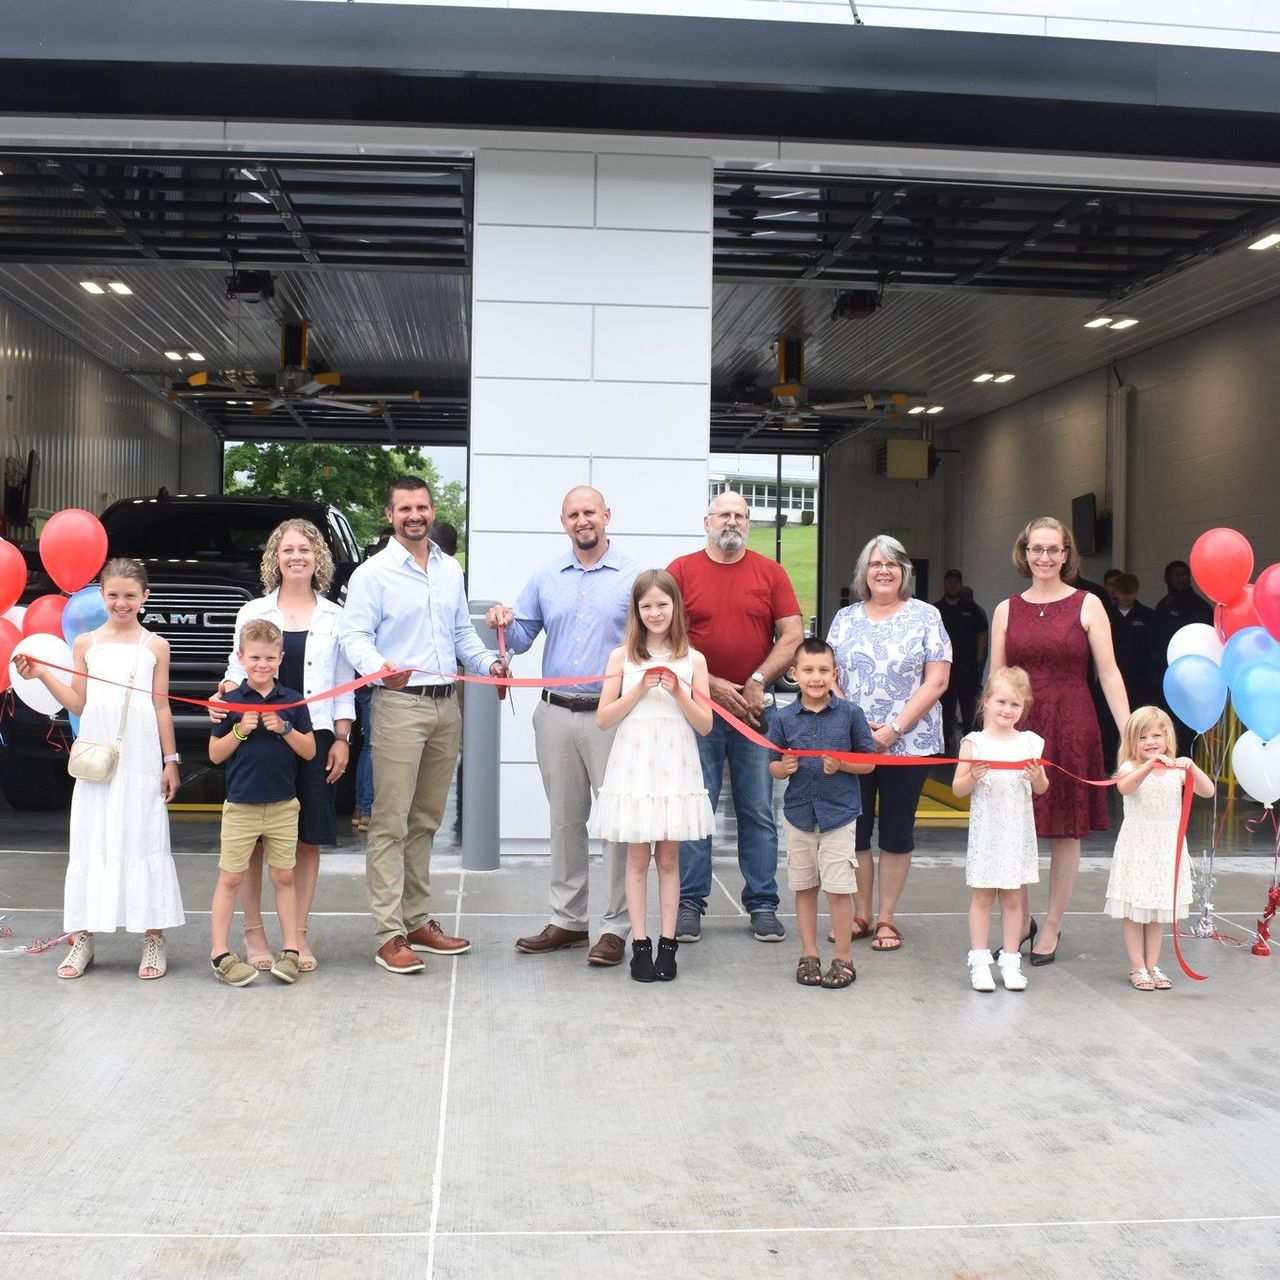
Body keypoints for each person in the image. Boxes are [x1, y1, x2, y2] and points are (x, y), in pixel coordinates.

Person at [340, 476, 507, 975]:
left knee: (426, 822)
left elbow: (461, 634)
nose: (415, 515)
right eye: (405, 508)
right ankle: (388, 933)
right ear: (390, 515)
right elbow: (353, 635)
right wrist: (381, 666)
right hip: (398, 706)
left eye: (422, 506)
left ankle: (417, 921)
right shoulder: (374, 574)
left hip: (445, 708)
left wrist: (488, 666)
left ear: (433, 511)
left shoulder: (449, 567)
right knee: (390, 823)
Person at [484, 485, 638, 966]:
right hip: (554, 715)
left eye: (589, 511)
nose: (582, 520)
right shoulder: (546, 576)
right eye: (573, 514)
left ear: (607, 515)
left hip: (610, 716)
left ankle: (615, 927)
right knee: (565, 821)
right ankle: (569, 922)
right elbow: (524, 635)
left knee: (616, 824)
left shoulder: (635, 577)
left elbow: (655, 635)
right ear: (563, 521)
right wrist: (502, 624)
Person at [14, 558, 184, 980]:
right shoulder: (85, 644)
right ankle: (84, 938)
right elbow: (78, 704)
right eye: (113, 595)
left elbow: (160, 706)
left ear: (145, 597)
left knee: (144, 836)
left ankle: (153, 938)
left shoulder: (155, 646)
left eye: (130, 595)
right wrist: (42, 675)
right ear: (101, 596)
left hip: (141, 757)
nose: (121, 603)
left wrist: (170, 760)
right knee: (93, 840)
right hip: (98, 758)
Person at [211, 519, 354, 973]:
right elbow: (236, 669)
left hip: (311, 735)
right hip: (257, 736)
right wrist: (222, 695)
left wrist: (343, 738)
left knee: (307, 840)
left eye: (305, 549)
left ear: (318, 559)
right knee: (254, 841)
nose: (297, 556)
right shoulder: (254, 610)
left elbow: (343, 683)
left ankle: (297, 938)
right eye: (287, 549)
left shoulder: (336, 615)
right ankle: (255, 934)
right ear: (275, 557)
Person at [989, 516, 1130, 966]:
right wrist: (984, 737)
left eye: (1054, 549)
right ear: (1024, 552)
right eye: (1037, 548)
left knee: (1066, 829)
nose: (1045, 557)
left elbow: (1108, 673)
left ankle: (1052, 922)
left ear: (1067, 555)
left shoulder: (1089, 604)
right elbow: (995, 681)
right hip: (1020, 724)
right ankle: (1022, 919)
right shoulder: (1006, 609)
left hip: (1072, 722)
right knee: (1018, 822)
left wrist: (1129, 735)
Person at [668, 491, 803, 944]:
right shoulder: (681, 571)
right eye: (723, 514)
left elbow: (792, 634)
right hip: (696, 709)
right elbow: (664, 636)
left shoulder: (771, 572)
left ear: (749, 523)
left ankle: (763, 904)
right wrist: (710, 684)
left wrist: (758, 680)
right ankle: (690, 903)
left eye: (740, 515)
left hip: (753, 712)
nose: (732, 521)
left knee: (758, 810)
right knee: (695, 807)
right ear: (706, 520)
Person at [827, 535, 951, 953]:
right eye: (876, 564)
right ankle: (860, 914)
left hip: (910, 744)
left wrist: (894, 729)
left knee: (897, 831)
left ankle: (887, 918)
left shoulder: (927, 616)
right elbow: (828, 678)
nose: (884, 570)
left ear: (905, 572)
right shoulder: (844, 618)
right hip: (854, 743)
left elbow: (937, 680)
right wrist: (861, 728)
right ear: (864, 572)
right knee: (855, 831)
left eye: (893, 564)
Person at [593, 569, 714, 983]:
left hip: (673, 762)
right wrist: (640, 688)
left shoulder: (693, 659)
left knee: (668, 857)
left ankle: (668, 944)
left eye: (663, 604)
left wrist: (679, 690)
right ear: (637, 611)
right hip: (635, 762)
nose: (655, 613)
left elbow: (705, 725)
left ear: (675, 607)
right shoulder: (621, 656)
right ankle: (639, 944)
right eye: (647, 606)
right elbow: (604, 718)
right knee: (637, 857)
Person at [208, 619, 316, 986]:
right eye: (254, 657)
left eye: (270, 658)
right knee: (231, 876)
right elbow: (215, 754)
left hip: (284, 805)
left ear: (281, 658)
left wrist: (284, 729)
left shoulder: (293, 702)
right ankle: (220, 952)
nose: (262, 665)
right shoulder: (230, 702)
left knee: (284, 875)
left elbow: (309, 749)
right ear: (241, 657)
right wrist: (240, 730)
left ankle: (290, 949)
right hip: (241, 804)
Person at [767, 638, 875, 991]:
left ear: (835, 674)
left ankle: (843, 957)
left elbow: (870, 762)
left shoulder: (851, 714)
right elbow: (772, 768)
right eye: (809, 670)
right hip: (799, 815)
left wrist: (843, 763)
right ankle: (808, 953)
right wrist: (784, 767)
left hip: (839, 816)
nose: (816, 678)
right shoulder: (782, 718)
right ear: (794, 673)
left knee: (839, 888)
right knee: (804, 886)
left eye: (824, 670)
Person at [951, 667, 1048, 993]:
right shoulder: (973, 743)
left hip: (1015, 834)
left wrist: (1036, 776)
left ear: (1024, 707)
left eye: (1015, 705)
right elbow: (958, 789)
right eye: (1001, 702)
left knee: (1012, 900)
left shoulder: (1030, 743)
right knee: (982, 897)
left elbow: (1042, 788)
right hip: (987, 833)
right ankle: (979, 962)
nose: (1007, 710)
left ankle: (1010, 961)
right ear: (986, 702)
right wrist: (973, 776)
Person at [1105, 706, 1214, 991]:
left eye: (1156, 735)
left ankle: (1153, 964)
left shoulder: (1176, 770)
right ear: (1132, 742)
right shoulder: (1131, 767)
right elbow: (1124, 788)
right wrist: (1147, 766)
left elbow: (1208, 791)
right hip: (1138, 847)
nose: (1151, 742)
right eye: (1143, 737)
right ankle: (1137, 965)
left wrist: (1191, 765)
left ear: (1167, 738)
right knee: (1134, 909)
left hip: (1166, 848)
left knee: (1157, 910)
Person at [352, 526, 394, 832]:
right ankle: (366, 808)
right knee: (373, 745)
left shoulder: (373, 567)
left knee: (370, 744)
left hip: (370, 677)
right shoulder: (377, 572)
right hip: (378, 680)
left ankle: (363, 810)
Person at [1153, 559, 1215, 756]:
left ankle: (1185, 774)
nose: (1181, 579)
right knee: (1164, 726)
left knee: (1185, 730)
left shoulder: (1199, 607)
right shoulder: (1162, 604)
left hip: (1189, 680)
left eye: (1185, 575)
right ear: (1166, 578)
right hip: (1163, 677)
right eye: (1176, 575)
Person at [933, 568, 988, 754]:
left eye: (956, 582)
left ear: (960, 584)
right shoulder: (936, 609)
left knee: (969, 707)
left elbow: (981, 634)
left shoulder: (971, 608)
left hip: (967, 667)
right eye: (949, 582)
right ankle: (945, 740)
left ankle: (971, 741)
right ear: (945, 584)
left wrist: (979, 659)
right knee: (944, 706)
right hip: (943, 667)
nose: (953, 585)